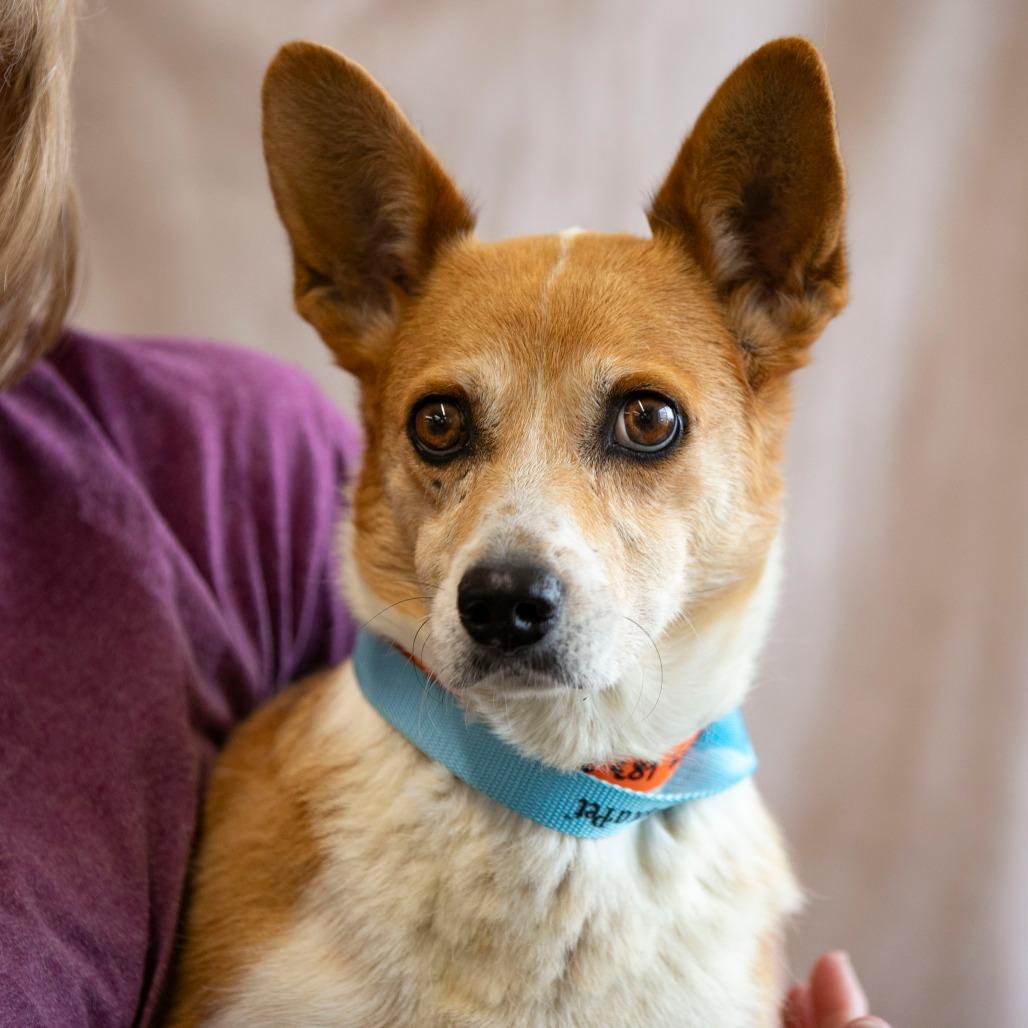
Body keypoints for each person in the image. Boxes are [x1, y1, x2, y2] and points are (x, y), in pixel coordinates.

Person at [0, 3, 892, 1026]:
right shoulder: (275, 856)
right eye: (444, 427)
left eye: (641, 424)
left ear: (773, 280)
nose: (511, 554)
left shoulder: (728, 943)